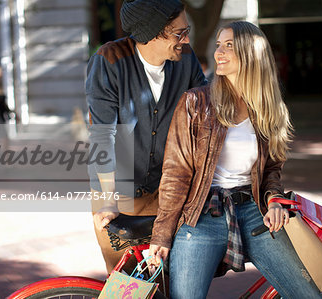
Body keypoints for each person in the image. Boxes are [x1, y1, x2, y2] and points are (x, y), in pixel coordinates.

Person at [148, 21, 322, 298]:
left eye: (229, 46)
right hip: (202, 216)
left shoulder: (268, 107)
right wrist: (162, 234)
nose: (219, 52)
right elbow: (175, 173)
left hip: (255, 212)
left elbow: (272, 170)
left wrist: (274, 201)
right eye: (218, 45)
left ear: (251, 53)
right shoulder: (196, 102)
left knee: (309, 295)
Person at [85, 0, 207, 274]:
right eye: (179, 32)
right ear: (155, 32)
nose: (185, 39)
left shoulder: (185, 59)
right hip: (117, 188)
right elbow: (102, 135)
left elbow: (208, 108)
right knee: (129, 281)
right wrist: (108, 199)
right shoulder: (109, 61)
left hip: (166, 188)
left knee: (171, 275)